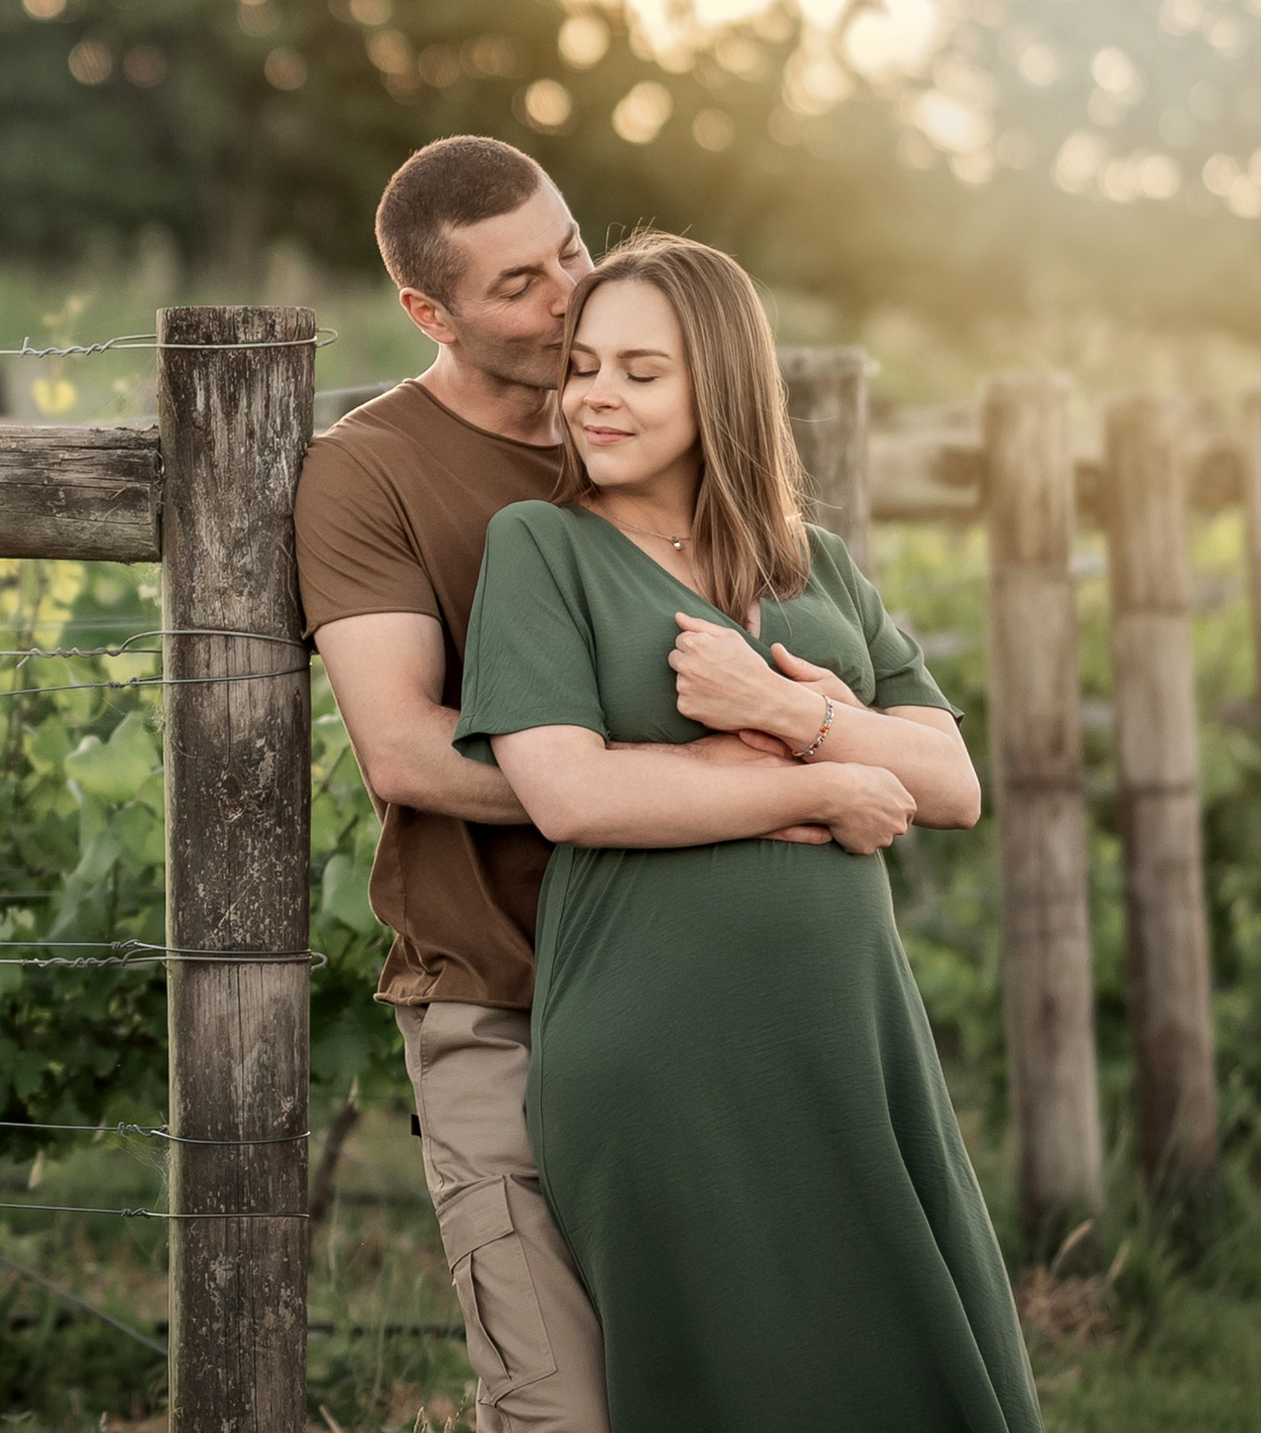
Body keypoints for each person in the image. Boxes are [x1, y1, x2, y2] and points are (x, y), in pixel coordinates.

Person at [454, 232, 1043, 1431]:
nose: (595, 396)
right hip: (657, 1044)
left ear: (718, 384)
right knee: (731, 1378)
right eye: (582, 365)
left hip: (845, 1041)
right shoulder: (541, 546)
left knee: (909, 1365)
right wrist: (817, 783)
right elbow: (570, 793)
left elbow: (951, 777)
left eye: (640, 370)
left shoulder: (811, 561)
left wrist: (784, 711)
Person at [296, 137, 803, 1429]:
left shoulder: (647, 423)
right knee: (553, 1401)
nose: (574, 292)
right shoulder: (372, 471)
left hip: (696, 982)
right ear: (429, 311)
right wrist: (661, 775)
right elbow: (404, 748)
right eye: (521, 282)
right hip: (500, 987)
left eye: (573, 246)